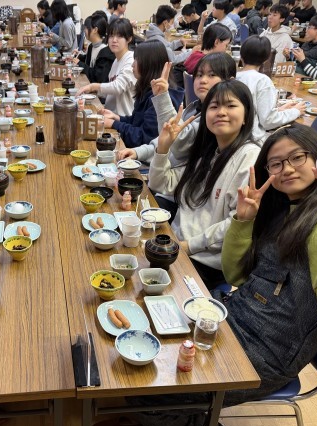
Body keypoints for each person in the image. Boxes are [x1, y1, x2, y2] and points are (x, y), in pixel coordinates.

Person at [119, 123, 317, 426]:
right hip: (231, 319)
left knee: (147, 384)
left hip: (272, 353)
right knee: (140, 345)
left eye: (297, 157)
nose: (286, 169)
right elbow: (237, 275)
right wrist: (243, 221)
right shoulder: (279, 209)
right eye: (276, 163)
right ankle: (154, 423)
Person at [148, 80, 260, 288]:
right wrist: (162, 148)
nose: (221, 112)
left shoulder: (249, 157)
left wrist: (188, 246)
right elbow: (161, 183)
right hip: (177, 245)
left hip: (203, 263)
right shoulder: (209, 153)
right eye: (214, 106)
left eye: (231, 105)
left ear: (246, 116)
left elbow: (235, 221)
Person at [101, 43, 184, 147]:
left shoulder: (161, 97)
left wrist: (113, 124)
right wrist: (116, 118)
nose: (132, 65)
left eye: (136, 60)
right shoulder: (147, 87)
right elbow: (137, 121)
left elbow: (144, 138)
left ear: (148, 64)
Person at [237, 36, 305, 142]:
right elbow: (268, 121)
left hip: (237, 134)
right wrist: (295, 111)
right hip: (252, 139)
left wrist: (279, 110)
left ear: (241, 55)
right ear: (266, 58)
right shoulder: (262, 80)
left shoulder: (235, 76)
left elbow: (256, 111)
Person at [76, 18, 136, 116]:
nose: (114, 40)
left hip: (123, 119)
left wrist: (93, 86)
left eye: (119, 36)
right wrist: (91, 90)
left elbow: (118, 87)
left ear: (129, 39)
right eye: (111, 36)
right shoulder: (116, 60)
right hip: (109, 114)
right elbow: (110, 92)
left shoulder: (131, 60)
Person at [284, 13, 317, 80]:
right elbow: (295, 67)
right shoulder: (307, 44)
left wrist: (302, 60)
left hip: (307, 84)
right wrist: (288, 58)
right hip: (294, 79)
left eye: (309, 27)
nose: (306, 30)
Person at [73, 13, 115, 84]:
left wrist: (80, 64)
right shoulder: (91, 46)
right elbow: (89, 61)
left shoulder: (106, 51)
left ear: (95, 30)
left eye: (86, 28)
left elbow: (98, 77)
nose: (84, 30)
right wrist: (78, 56)